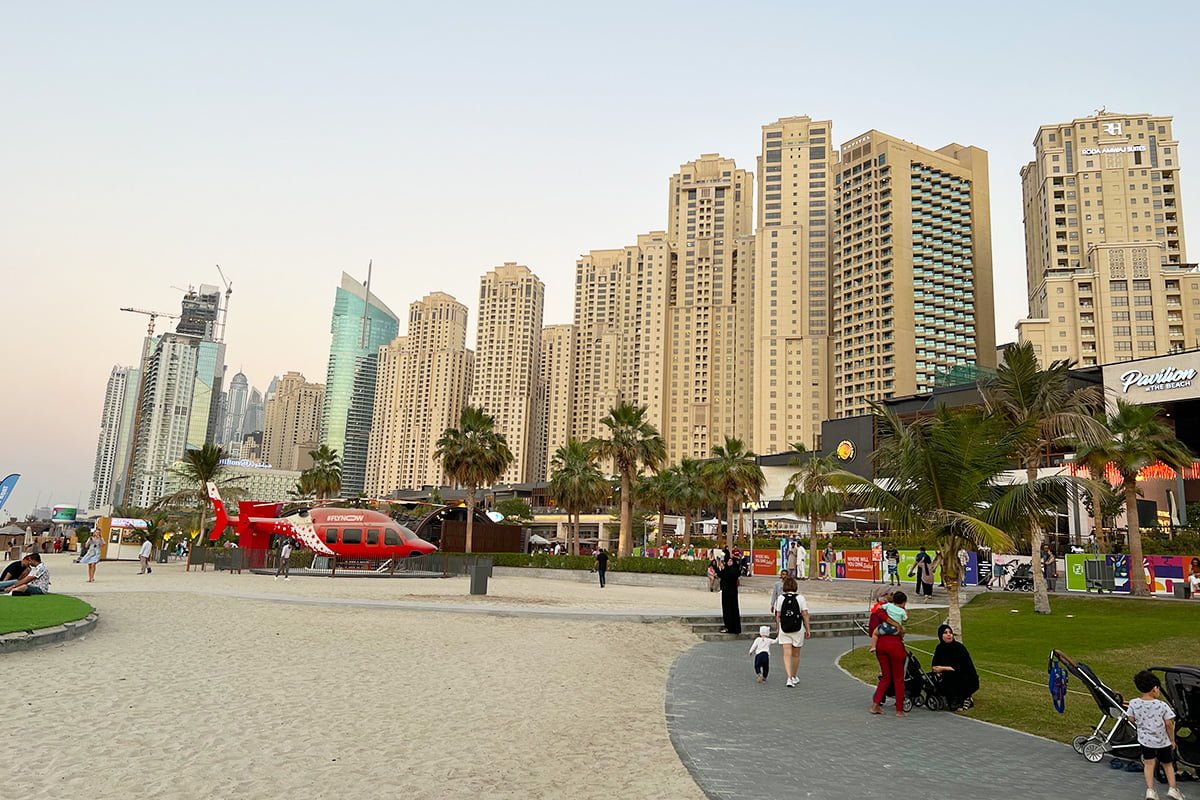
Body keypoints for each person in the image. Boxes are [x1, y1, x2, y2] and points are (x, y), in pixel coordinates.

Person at [1126, 670, 1184, 800]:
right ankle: (1173, 789)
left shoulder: (1134, 703)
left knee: (1149, 764)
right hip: (1163, 741)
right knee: (1167, 764)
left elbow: (1130, 718)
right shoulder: (1162, 705)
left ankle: (1150, 791)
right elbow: (1169, 724)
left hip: (1146, 741)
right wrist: (1172, 740)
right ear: (1155, 689)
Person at [870, 589, 909, 716]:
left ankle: (875, 704)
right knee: (898, 678)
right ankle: (899, 709)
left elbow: (879, 612)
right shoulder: (900, 611)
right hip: (895, 645)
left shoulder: (883, 609)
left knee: (886, 677)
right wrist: (898, 625)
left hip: (881, 644)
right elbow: (905, 620)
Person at [930, 624, 979, 710]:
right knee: (934, 677)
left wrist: (942, 668)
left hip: (966, 677)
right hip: (947, 675)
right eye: (945, 633)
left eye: (950, 632)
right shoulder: (940, 648)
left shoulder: (959, 648)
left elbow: (961, 668)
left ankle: (964, 698)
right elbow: (935, 663)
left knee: (950, 675)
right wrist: (936, 671)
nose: (949, 635)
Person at [773, 576, 810, 688]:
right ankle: (794, 675)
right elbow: (805, 614)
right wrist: (807, 628)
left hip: (784, 628)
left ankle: (789, 677)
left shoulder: (780, 598)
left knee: (786, 653)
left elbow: (778, 614)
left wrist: (778, 627)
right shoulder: (800, 598)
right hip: (797, 628)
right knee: (796, 654)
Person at [716, 551, 742, 634]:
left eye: (731, 561)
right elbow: (720, 574)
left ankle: (734, 628)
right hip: (726, 592)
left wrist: (723, 569)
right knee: (726, 610)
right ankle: (728, 626)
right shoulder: (726, 569)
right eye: (728, 561)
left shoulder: (735, 570)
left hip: (732, 593)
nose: (729, 562)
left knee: (733, 609)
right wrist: (718, 566)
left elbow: (730, 575)